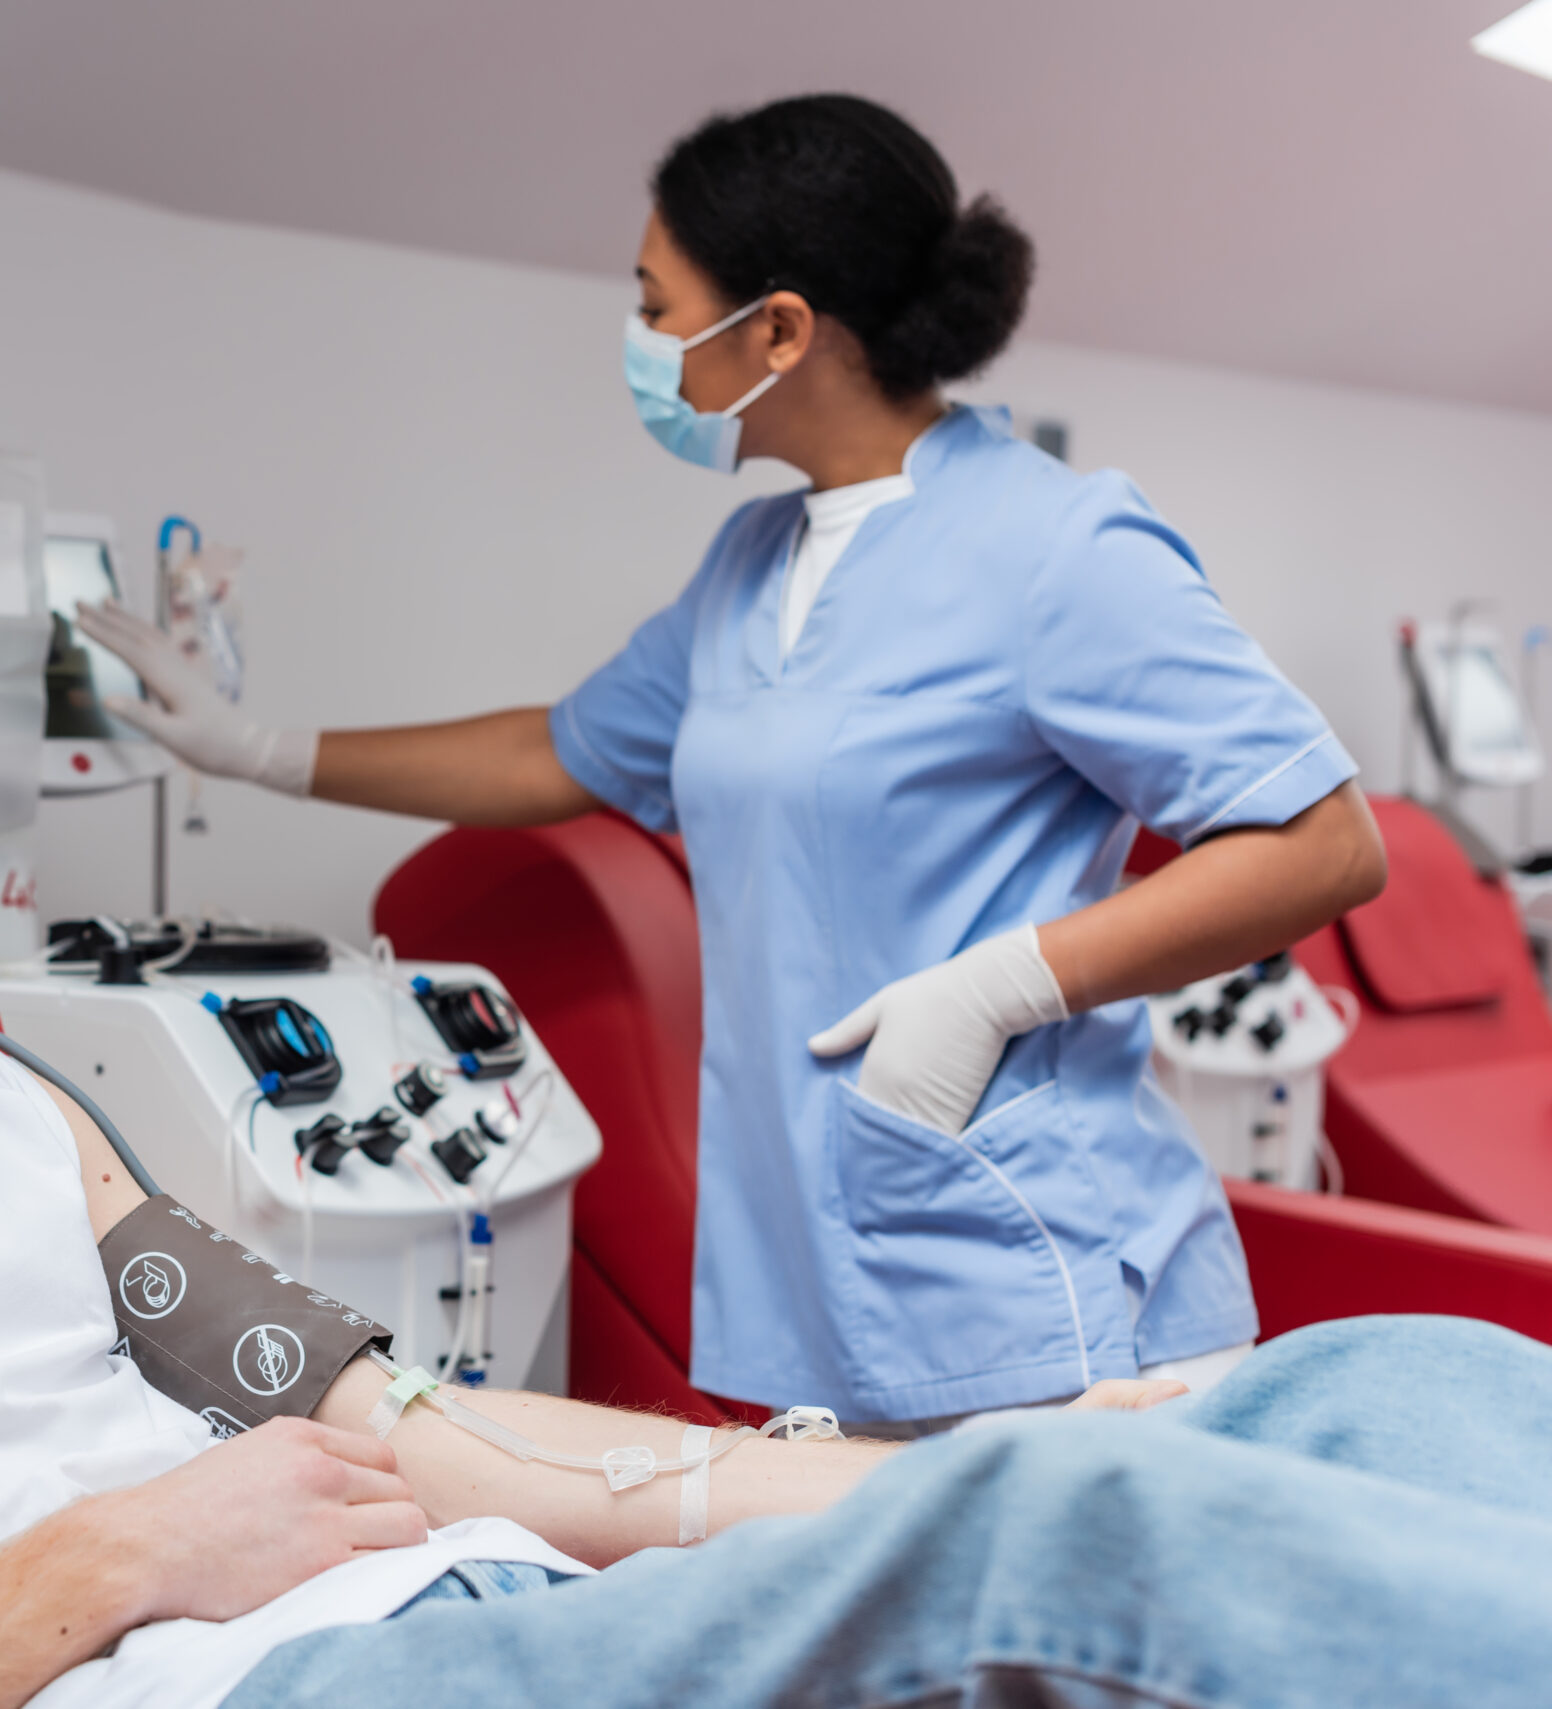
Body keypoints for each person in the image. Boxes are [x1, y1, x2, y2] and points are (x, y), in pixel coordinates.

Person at [0, 391, 1552, 1709]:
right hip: (234, 1697)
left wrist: (950, 1454)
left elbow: (376, 1415)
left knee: (1344, 1391)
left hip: (468, 1610)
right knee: (1106, 1549)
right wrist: (100, 1568)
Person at [76, 94, 1389, 1431]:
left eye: (658, 306)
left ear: (778, 329)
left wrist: (998, 988)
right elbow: (561, 750)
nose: (643, 345)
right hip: (833, 1277)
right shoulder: (752, 566)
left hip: (1051, 1286)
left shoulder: (1058, 547)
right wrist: (258, 749)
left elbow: (1323, 839)